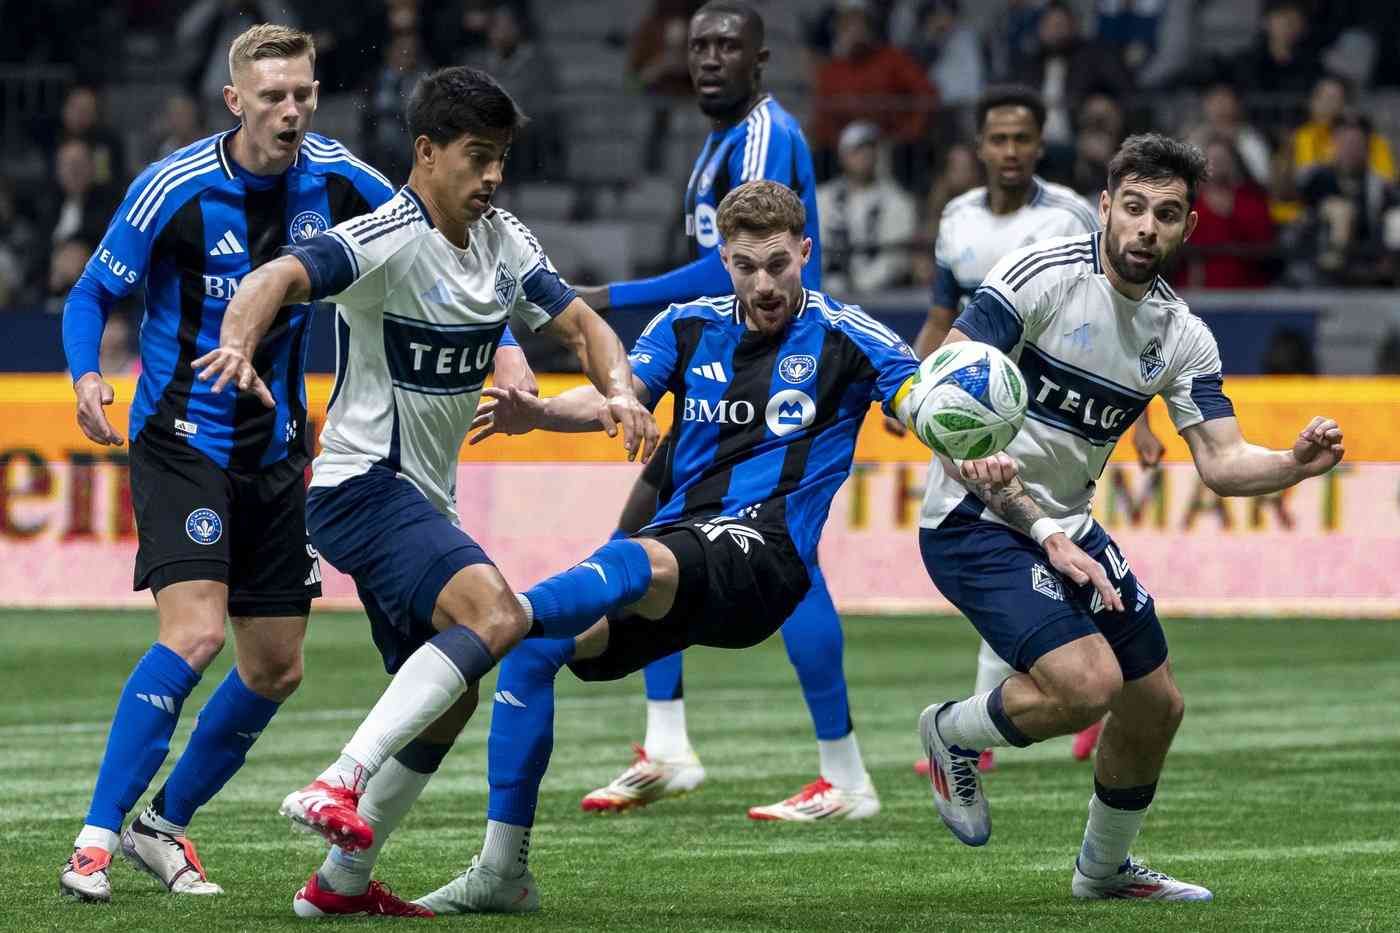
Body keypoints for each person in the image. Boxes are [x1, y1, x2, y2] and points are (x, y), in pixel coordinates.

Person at [192, 64, 653, 920]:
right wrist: (237, 342)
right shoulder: (384, 237)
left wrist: (619, 389)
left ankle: (337, 888)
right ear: (427, 153)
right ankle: (339, 778)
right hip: (359, 488)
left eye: (503, 159)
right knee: (500, 616)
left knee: (451, 693)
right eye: (478, 157)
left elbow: (583, 325)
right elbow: (275, 279)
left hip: (420, 504)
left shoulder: (505, 241)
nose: (493, 178)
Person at [411, 179, 924, 914]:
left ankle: (511, 609)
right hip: (687, 561)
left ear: (805, 251)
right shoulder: (686, 326)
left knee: (628, 560)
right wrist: (543, 413)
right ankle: (502, 871)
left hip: (767, 562)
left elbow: (922, 401)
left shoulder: (852, 336)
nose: (764, 282)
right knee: (540, 650)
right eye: (746, 266)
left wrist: (961, 438)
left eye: (778, 263)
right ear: (724, 260)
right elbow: (621, 399)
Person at [917, 134, 1344, 900]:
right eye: (1136, 207)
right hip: (974, 516)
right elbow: (940, 389)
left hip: (1069, 526)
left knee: (1156, 704)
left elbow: (1219, 459)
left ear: (1188, 229)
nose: (1148, 227)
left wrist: (1291, 464)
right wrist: (997, 479)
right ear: (1108, 207)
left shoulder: (1181, 334)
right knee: (1089, 686)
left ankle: (1102, 870)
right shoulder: (1039, 275)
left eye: (1168, 214)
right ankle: (952, 729)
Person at [56, 23, 419, 904]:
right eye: (272, 97)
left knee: (275, 667)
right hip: (181, 439)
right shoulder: (172, 187)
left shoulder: (335, 175)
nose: (290, 111)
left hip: (277, 452)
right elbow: (93, 289)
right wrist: (86, 377)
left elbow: (423, 215)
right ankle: (94, 842)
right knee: (195, 633)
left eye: (302, 93)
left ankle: (161, 826)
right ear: (235, 102)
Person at [576, 1, 879, 824]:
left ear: (761, 59)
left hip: (778, 364)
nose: (708, 58)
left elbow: (727, 271)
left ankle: (843, 772)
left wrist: (603, 297)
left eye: (727, 46)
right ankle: (667, 743)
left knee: (778, 553)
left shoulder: (758, 137)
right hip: (722, 366)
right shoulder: (718, 138)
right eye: (698, 44)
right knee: (644, 531)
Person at [909, 87, 1163, 773]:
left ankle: (991, 716)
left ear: (1040, 142)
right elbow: (943, 313)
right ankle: (994, 714)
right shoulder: (957, 217)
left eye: (1023, 138)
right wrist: (915, 388)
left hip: (1050, 417)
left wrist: (1138, 426)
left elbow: (1122, 331)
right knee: (1016, 550)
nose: (1011, 151)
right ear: (982, 144)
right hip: (980, 411)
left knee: (1037, 548)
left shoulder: (1071, 217)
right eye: (999, 139)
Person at [817, 121, 918, 293]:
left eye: (870, 149)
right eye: (857, 150)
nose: (864, 156)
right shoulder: (821, 198)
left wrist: (864, 284)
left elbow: (897, 258)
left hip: (881, 298)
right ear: (843, 156)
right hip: (828, 294)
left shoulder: (899, 202)